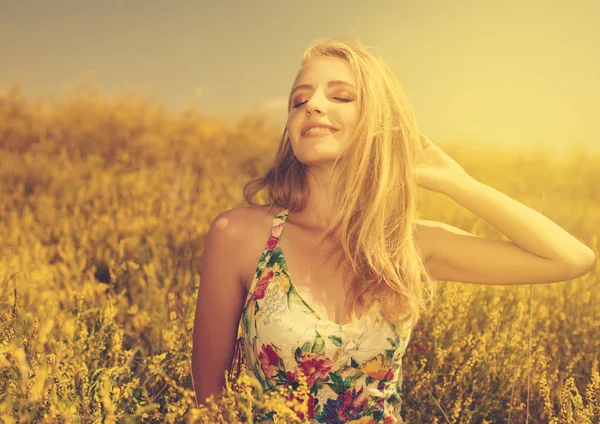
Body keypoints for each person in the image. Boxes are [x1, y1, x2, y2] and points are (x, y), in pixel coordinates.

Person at [191, 36, 595, 423]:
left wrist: (462, 185)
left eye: (340, 96)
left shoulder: (408, 245)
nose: (312, 105)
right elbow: (209, 404)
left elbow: (570, 258)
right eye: (300, 100)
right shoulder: (240, 235)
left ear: (376, 121)